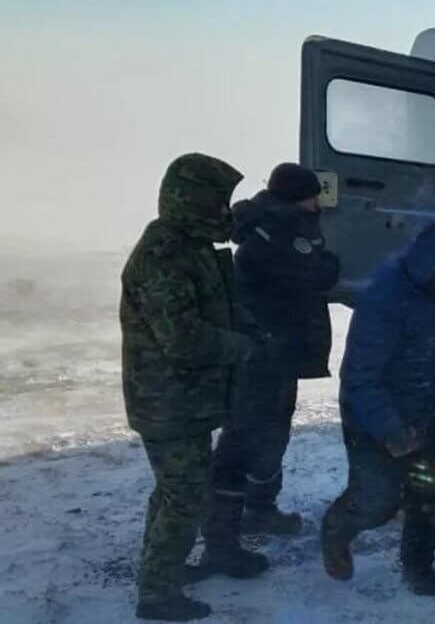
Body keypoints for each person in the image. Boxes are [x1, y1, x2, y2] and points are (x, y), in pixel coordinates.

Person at [320, 217, 435, 595]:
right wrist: (391, 430)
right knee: (378, 500)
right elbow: (361, 378)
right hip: (376, 414)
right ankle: (338, 528)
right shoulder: (386, 301)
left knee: (433, 492)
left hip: (433, 408)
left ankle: (418, 565)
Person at [120, 153, 267, 621]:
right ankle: (158, 595)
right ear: (195, 198)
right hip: (168, 402)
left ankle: (161, 572)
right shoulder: (165, 253)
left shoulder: (192, 246)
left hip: (185, 399)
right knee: (185, 495)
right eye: (219, 199)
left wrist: (251, 331)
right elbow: (183, 339)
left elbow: (216, 306)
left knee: (174, 491)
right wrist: (241, 347)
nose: (227, 210)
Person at [203, 163, 340, 554]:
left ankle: (258, 509)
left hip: (275, 351)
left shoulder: (279, 223)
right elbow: (317, 273)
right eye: (314, 195)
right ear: (299, 196)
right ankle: (221, 535)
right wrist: (330, 263)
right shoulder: (281, 229)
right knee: (246, 435)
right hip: (263, 353)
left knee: (271, 432)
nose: (319, 202)